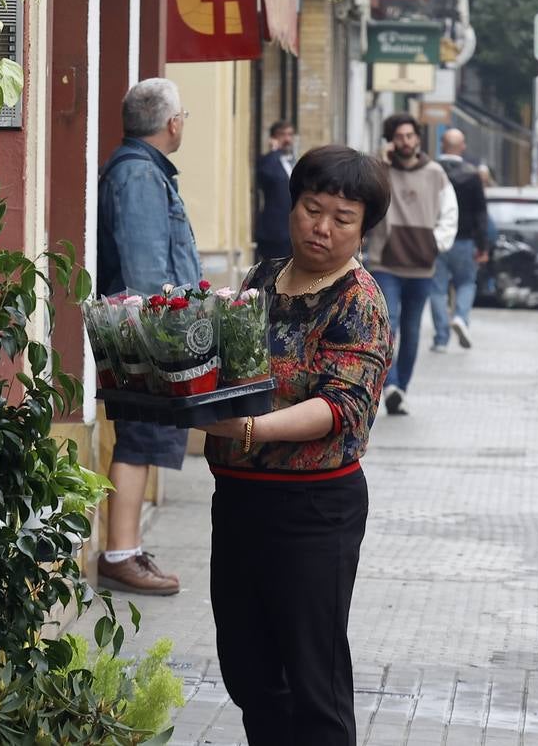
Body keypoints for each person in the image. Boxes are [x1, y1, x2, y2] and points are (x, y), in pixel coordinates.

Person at [197, 144, 392, 746]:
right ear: (293, 205)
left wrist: (250, 429)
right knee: (250, 669)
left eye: (342, 217)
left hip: (313, 510)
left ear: (364, 229)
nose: (323, 227)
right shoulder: (261, 281)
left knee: (314, 677)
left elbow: (341, 406)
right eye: (312, 208)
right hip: (238, 499)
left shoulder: (359, 302)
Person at [94, 77, 202, 596]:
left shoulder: (142, 170)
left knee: (145, 436)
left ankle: (129, 548)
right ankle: (118, 554)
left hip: (147, 323)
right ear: (172, 123)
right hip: (144, 327)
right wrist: (168, 329)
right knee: (138, 439)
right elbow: (143, 270)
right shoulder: (138, 175)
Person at [365, 114, 457, 415]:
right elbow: (364, 197)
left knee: (413, 328)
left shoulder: (435, 173)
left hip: (421, 264)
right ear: (392, 140)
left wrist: (435, 245)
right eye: (399, 137)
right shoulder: (381, 171)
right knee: (387, 323)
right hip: (385, 262)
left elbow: (449, 214)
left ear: (418, 138)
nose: (405, 142)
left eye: (409, 136)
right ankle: (390, 384)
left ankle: (401, 389)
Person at [430, 128, 488, 351]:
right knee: (466, 283)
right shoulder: (472, 175)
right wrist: (482, 245)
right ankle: (461, 318)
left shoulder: (431, 171)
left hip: (436, 240)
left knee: (437, 289)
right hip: (465, 240)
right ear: (462, 147)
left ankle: (441, 339)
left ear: (442, 145)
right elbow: (481, 212)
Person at [254, 119, 297, 261]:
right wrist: (273, 152)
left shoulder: (293, 162)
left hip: (292, 230)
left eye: (290, 135)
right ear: (273, 138)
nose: (287, 139)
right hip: (274, 231)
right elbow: (265, 176)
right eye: (282, 135)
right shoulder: (267, 161)